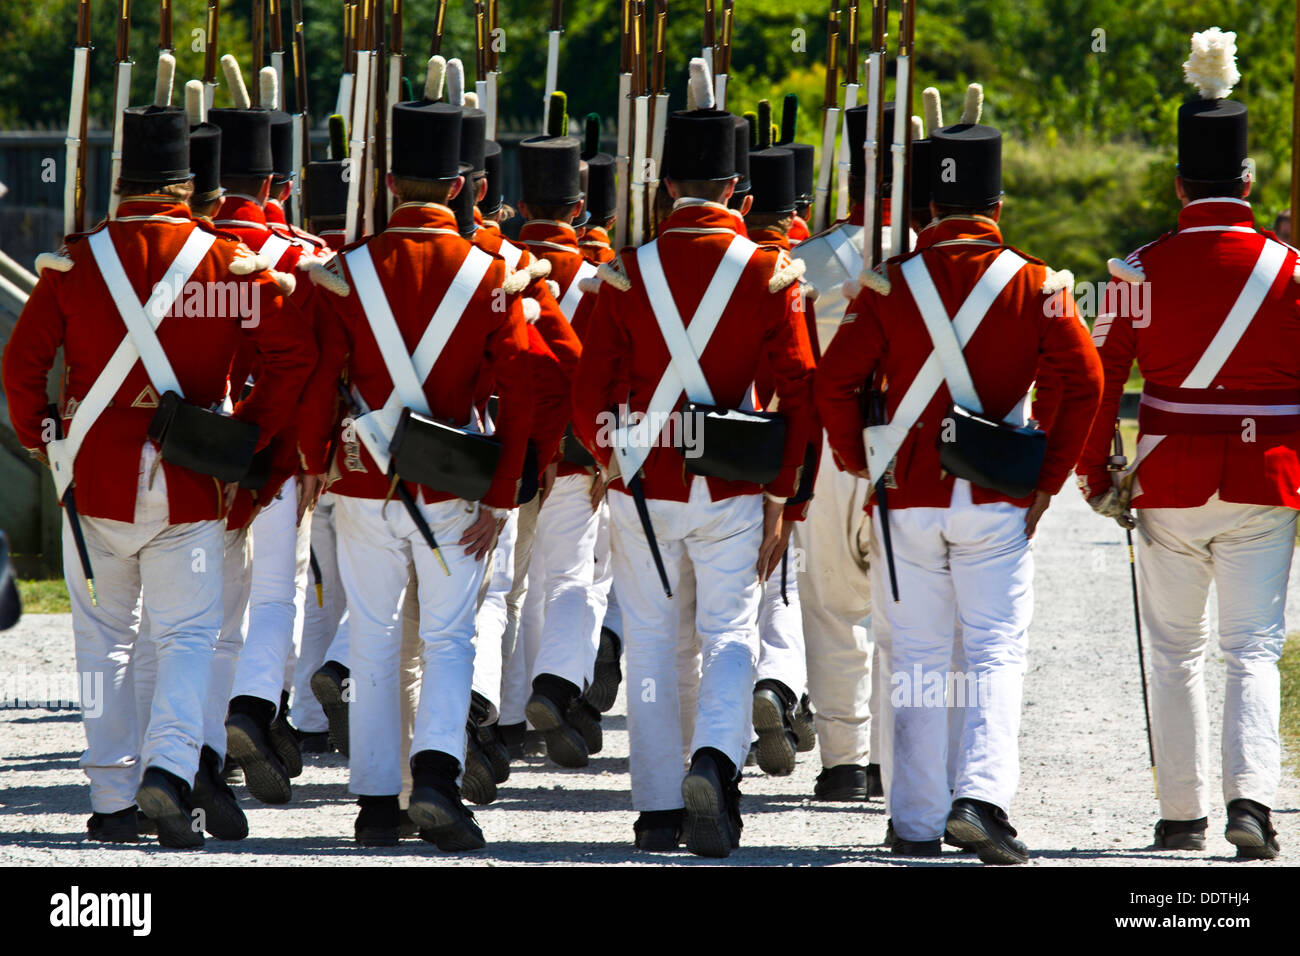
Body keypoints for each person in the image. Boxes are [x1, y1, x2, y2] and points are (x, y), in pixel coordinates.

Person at [2, 101, 314, 848]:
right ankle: (171, 773)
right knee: (186, 636)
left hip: (96, 478)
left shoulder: (77, 263)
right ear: (185, 186)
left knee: (101, 646)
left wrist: (45, 439)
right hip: (191, 479)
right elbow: (291, 356)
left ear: (123, 180)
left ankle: (112, 798)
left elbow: (22, 366)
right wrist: (247, 439)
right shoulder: (225, 263)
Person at [815, 114, 1102, 863]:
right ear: (997, 206)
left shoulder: (889, 283)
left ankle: (914, 820)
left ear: (930, 209)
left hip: (906, 493)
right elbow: (1087, 379)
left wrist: (854, 459)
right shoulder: (1038, 284)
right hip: (998, 495)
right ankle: (980, 797)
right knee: (994, 651)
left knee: (913, 656)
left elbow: (837, 382)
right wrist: (1047, 478)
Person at [572, 59, 817, 857]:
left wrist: (613, 461)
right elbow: (801, 389)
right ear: (739, 194)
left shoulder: (626, 272)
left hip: (644, 481)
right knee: (730, 633)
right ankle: (714, 759)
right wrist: (787, 494)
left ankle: (655, 809)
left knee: (650, 641)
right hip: (735, 483)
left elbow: (589, 386)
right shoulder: (769, 272)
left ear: (668, 185)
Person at [1076, 28, 1295, 860]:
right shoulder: (1293, 273)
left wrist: (1099, 471)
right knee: (1251, 651)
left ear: (1178, 183)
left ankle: (1181, 815)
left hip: (1170, 481)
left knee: (1176, 652)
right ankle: (1252, 808)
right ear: (1248, 182)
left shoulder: (1134, 274)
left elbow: (1101, 382)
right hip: (1268, 481)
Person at [299, 97, 533, 850]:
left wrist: (313, 468)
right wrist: (505, 489)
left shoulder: (344, 273)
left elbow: (316, 378)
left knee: (369, 641)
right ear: (463, 188)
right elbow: (536, 381)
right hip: (456, 486)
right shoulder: (492, 272)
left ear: (391, 181)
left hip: (362, 480)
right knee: (448, 638)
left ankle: (376, 804)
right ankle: (434, 775)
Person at [741, 122, 822, 775]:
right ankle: (778, 685)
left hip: (716, 443)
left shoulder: (732, 261)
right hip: (783, 448)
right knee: (782, 590)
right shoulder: (803, 263)